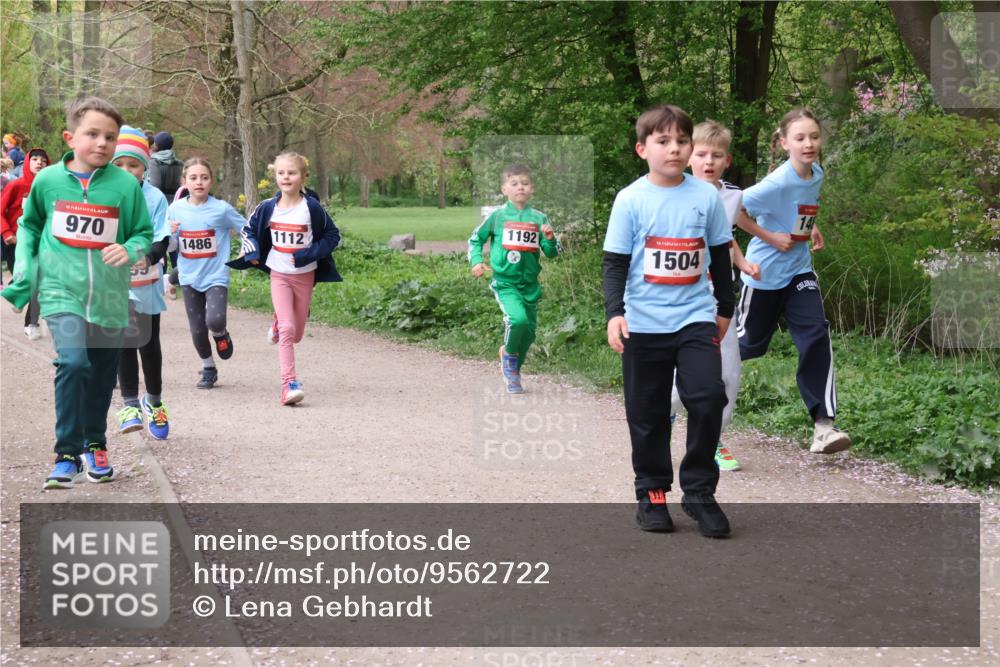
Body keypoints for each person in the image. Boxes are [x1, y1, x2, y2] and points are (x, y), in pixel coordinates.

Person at [1, 96, 152, 489]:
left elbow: (143, 233)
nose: (102, 143)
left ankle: (95, 444)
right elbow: (31, 225)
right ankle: (66, 453)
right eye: (93, 134)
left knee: (102, 376)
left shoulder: (124, 185)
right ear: (70, 137)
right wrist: (24, 269)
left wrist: (131, 248)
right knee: (72, 363)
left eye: (110, 137)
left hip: (108, 296)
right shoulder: (48, 181)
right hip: (60, 289)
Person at [602, 104, 734, 537]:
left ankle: (698, 491)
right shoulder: (631, 199)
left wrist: (724, 310)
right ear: (643, 149)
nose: (674, 149)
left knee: (708, 396)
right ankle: (652, 494)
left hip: (694, 317)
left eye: (681, 141)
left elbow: (718, 255)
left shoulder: (704, 196)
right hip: (643, 323)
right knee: (648, 412)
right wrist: (614, 315)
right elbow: (615, 263)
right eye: (663, 141)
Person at [735, 108, 851, 454]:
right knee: (749, 345)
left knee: (816, 333)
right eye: (800, 138)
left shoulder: (816, 172)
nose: (809, 143)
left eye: (814, 136)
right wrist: (770, 237)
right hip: (764, 275)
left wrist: (808, 225)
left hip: (799, 271)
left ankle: (823, 427)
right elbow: (732, 208)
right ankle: (689, 375)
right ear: (784, 142)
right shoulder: (777, 181)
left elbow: (801, 205)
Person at [669, 121, 760, 472]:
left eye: (716, 155)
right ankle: (667, 416)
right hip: (677, 295)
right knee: (675, 370)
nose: (708, 161)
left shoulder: (732, 195)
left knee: (727, 373)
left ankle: (712, 438)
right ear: (689, 156)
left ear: (727, 160)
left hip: (717, 295)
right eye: (702, 154)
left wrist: (743, 261)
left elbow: (724, 235)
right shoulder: (673, 190)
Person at [229, 151, 341, 405]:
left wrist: (308, 254)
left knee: (296, 333)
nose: (286, 177)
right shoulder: (268, 207)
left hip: (305, 275)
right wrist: (253, 252)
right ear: (275, 177)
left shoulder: (311, 208)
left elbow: (333, 236)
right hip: (278, 273)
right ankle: (288, 384)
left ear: (303, 177)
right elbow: (248, 231)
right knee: (290, 331)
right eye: (281, 173)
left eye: (292, 173)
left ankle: (279, 323)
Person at [468, 164, 559, 394]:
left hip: (529, 284)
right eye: (514, 183)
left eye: (525, 183)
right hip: (505, 281)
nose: (521, 187)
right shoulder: (497, 217)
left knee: (529, 332)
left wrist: (549, 238)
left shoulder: (538, 218)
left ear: (532, 189)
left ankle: (513, 371)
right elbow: (475, 239)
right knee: (517, 320)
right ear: (504, 189)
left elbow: (552, 252)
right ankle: (508, 356)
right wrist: (477, 261)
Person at [110, 126, 172, 439]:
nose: (125, 171)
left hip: (145, 282)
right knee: (124, 340)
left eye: (133, 165)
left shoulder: (154, 197)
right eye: (118, 164)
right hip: (115, 285)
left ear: (145, 167)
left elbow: (162, 240)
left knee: (147, 343)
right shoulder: (101, 194)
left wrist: (145, 256)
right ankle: (130, 404)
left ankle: (155, 401)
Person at [168, 157, 244, 389]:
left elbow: (246, 228)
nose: (199, 182)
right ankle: (208, 367)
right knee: (198, 329)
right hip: (189, 277)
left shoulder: (221, 209)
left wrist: (244, 252)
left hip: (216, 275)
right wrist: (169, 234)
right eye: (193, 178)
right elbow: (170, 246)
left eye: (204, 177)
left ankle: (220, 333)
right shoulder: (175, 209)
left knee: (214, 320)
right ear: (185, 181)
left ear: (211, 182)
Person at [1, 146, 51, 339]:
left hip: (42, 243)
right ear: (27, 162)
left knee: (37, 282)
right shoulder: (16, 186)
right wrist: (6, 232)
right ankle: (18, 290)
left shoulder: (50, 188)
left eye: (44, 160)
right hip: (16, 242)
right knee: (26, 278)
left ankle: (32, 323)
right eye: (35, 159)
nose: (40, 162)